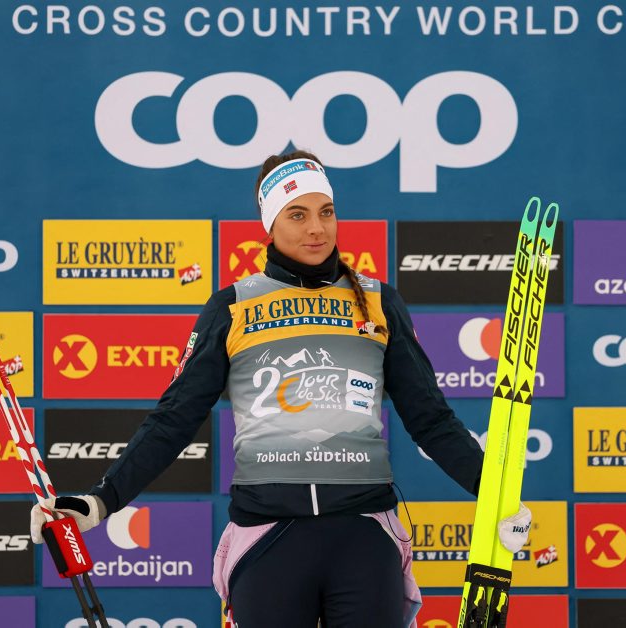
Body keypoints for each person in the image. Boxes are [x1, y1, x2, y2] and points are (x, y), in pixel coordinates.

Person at [29, 151, 530, 627]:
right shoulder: (234, 307)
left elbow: (431, 420)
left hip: (363, 533)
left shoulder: (378, 301)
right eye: (297, 215)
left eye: (326, 212)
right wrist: (101, 501)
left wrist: (498, 496)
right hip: (268, 536)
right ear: (269, 224)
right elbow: (174, 420)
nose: (317, 228)